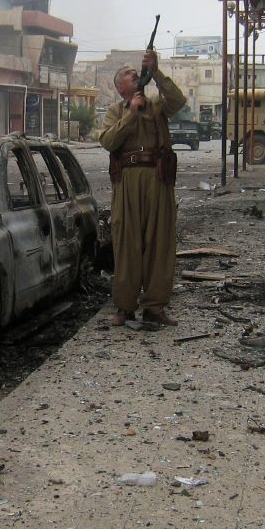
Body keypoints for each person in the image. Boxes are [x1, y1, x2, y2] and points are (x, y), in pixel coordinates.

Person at [96, 50, 186, 327]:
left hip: (158, 178)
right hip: (127, 181)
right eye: (127, 74)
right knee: (127, 243)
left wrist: (157, 72)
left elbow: (178, 101)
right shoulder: (115, 112)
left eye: (135, 72)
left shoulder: (157, 104)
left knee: (160, 242)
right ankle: (125, 307)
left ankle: (155, 307)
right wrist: (131, 116)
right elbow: (108, 141)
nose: (133, 74)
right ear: (119, 87)